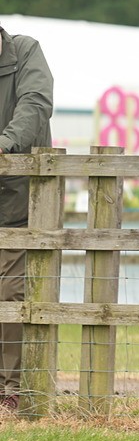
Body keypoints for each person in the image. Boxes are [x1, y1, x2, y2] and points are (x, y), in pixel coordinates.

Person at [0, 21, 54, 412]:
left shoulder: (23, 52)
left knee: (12, 293)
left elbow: (34, 105)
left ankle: (10, 390)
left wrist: (4, 144)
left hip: (18, 199)